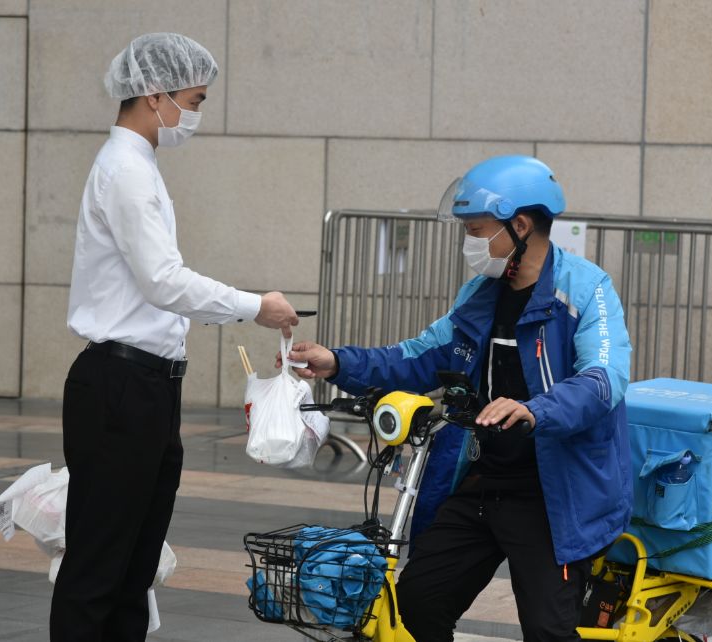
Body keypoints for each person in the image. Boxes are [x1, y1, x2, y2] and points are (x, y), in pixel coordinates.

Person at [285, 155, 633, 641]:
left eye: (477, 229)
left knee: (549, 630)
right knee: (417, 605)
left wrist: (535, 410)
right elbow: (418, 357)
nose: (470, 241)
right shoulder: (481, 292)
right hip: (483, 479)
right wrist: (339, 363)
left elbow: (604, 379)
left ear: (521, 225)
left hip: (555, 493)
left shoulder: (586, 288)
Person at [50, 33, 297, 642]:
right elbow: (162, 281)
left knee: (134, 565)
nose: (195, 114)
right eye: (194, 99)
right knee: (101, 565)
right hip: (120, 384)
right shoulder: (125, 170)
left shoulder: (140, 167)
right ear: (154, 96)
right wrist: (253, 305)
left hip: (145, 385)